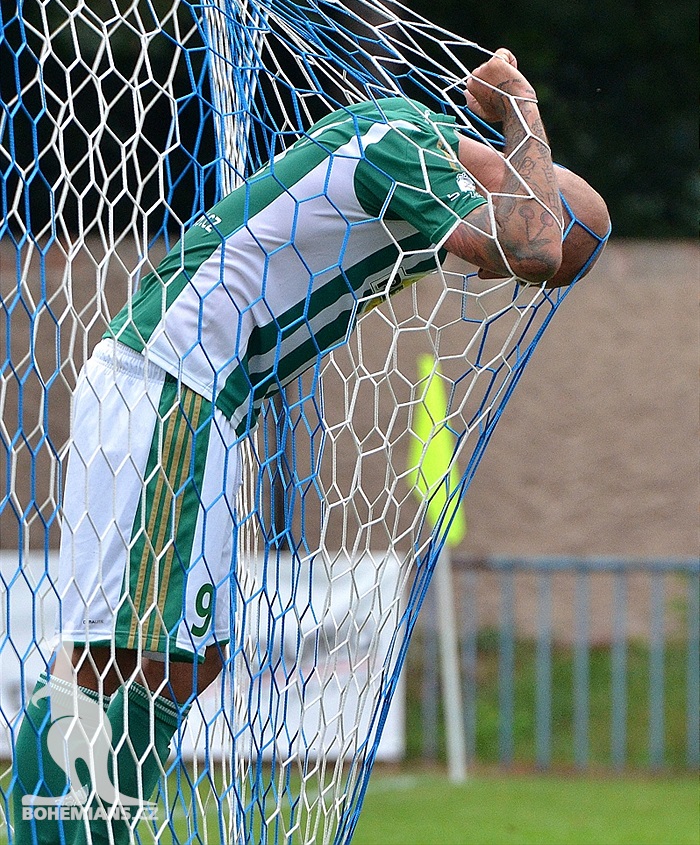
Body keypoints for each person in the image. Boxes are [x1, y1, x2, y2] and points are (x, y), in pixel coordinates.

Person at [12, 48, 609, 843]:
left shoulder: (424, 183)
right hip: (172, 379)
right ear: (520, 177)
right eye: (554, 226)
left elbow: (540, 251)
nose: (537, 273)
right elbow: (534, 243)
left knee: (186, 663)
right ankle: (54, 830)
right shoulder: (400, 140)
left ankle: (94, 821)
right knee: (122, 653)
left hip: (204, 401)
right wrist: (521, 108)